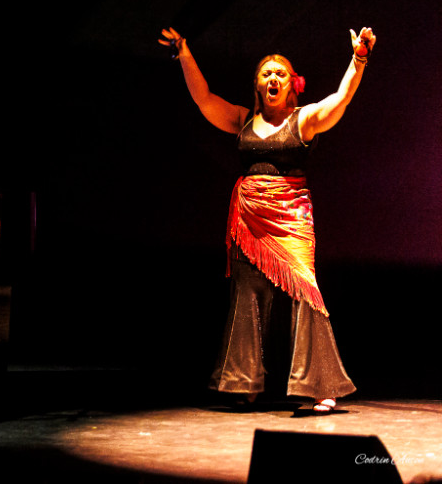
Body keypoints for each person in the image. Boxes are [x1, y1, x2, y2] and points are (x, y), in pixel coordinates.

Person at [158, 26, 376, 413]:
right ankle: (244, 384)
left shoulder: (304, 119)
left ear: (292, 84)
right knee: (247, 297)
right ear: (258, 85)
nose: (273, 77)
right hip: (248, 218)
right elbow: (204, 98)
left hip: (291, 216)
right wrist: (184, 54)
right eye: (266, 73)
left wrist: (359, 58)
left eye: (280, 73)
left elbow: (341, 98)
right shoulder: (242, 119)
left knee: (305, 295)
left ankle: (320, 385)